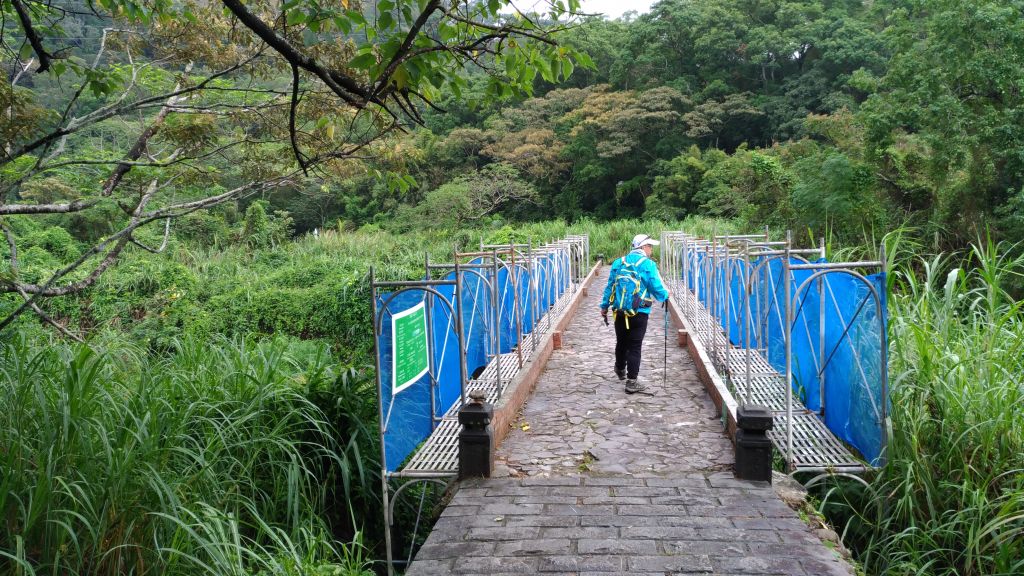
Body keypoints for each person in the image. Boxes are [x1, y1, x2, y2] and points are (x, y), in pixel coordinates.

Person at [600, 234, 670, 394]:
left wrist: (604, 306)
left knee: (621, 342)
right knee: (635, 346)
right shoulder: (648, 264)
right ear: (642, 247)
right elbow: (655, 286)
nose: (651, 249)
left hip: (619, 311)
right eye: (649, 246)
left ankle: (619, 368)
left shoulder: (619, 262)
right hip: (640, 312)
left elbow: (610, 286)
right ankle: (632, 382)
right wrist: (665, 295)